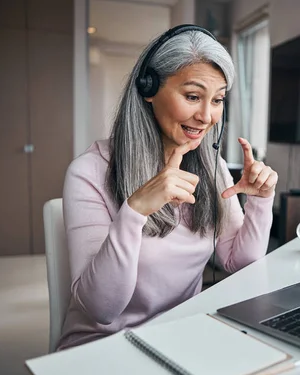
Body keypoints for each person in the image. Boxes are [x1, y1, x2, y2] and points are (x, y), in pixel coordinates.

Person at [57, 25, 278, 350]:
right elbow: (102, 311)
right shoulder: (89, 172)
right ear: (149, 88)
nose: (206, 116)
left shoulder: (209, 165)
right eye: (192, 96)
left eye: (217, 100)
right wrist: (133, 212)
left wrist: (260, 200)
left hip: (181, 338)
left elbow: (238, 261)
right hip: (104, 346)